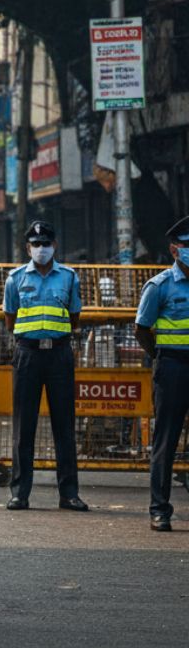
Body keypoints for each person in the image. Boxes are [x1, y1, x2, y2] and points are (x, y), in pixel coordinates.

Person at [1, 221, 88, 512]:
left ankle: (69, 494)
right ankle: (19, 493)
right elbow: (10, 319)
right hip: (28, 354)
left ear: (55, 246)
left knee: (64, 426)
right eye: (36, 244)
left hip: (59, 355)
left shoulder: (69, 277)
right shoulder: (15, 279)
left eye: (46, 243)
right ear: (28, 248)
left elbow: (74, 316)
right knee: (24, 427)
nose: (41, 249)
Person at [135, 215, 189, 532]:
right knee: (165, 441)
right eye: (187, 246)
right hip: (172, 368)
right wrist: (158, 356)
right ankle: (159, 509)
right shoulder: (159, 286)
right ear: (174, 250)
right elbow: (142, 329)